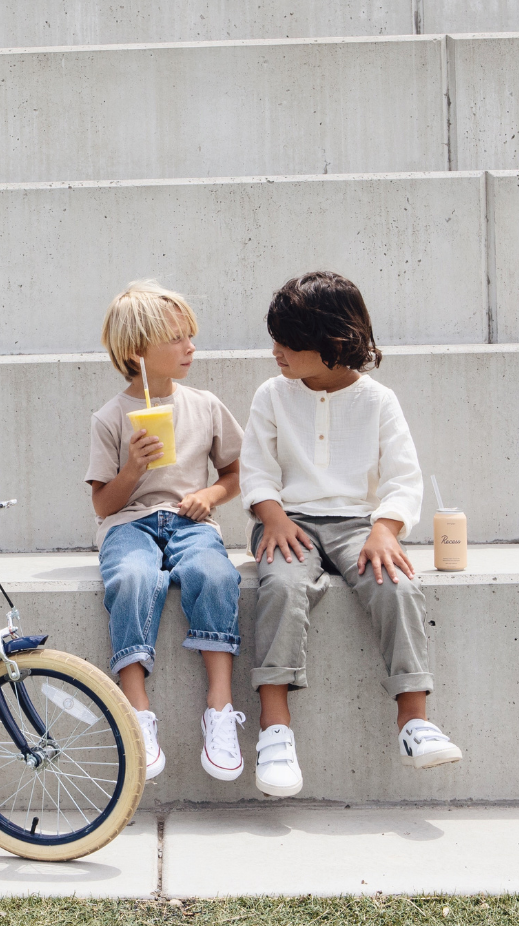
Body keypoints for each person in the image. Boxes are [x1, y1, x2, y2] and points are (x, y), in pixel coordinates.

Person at [239, 271, 462, 798]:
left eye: (288, 342)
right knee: (281, 586)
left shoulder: (379, 401)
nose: (276, 351)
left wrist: (385, 530)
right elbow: (257, 471)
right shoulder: (273, 395)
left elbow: (403, 478)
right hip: (287, 521)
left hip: (360, 525)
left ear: (333, 344)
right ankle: (275, 730)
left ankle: (414, 721)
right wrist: (272, 518)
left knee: (398, 586)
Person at [85, 279, 246, 780]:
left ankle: (219, 708)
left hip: (190, 520)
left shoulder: (205, 405)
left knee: (215, 575)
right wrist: (133, 468)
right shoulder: (111, 418)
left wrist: (211, 496)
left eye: (189, 336)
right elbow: (101, 504)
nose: (190, 347)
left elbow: (238, 473)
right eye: (176, 338)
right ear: (137, 352)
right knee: (132, 578)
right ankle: (137, 711)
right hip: (128, 525)